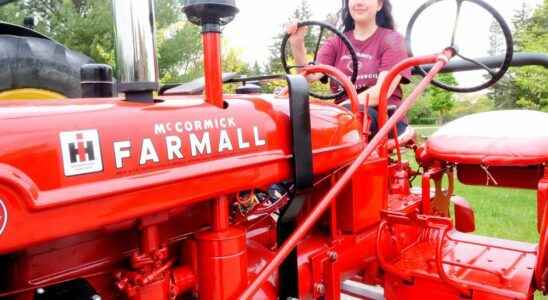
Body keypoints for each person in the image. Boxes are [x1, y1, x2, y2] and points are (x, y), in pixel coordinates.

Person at [287, 0, 411, 137]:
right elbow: (310, 76)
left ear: (379, 5)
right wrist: (297, 43)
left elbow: (382, 91)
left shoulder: (392, 39)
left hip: (382, 115)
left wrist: (340, 109)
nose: (359, 2)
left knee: (343, 125)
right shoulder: (335, 42)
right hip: (341, 115)